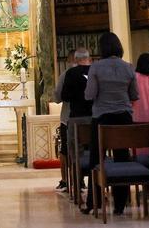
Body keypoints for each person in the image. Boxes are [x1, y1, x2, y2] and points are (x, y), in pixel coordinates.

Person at [83, 31, 138, 215]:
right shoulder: (128, 67)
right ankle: (120, 204)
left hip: (102, 117)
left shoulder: (96, 67)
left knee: (96, 158)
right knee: (122, 157)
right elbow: (134, 95)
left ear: (102, 48)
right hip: (124, 118)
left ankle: (94, 202)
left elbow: (89, 94)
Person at [53, 47, 93, 192]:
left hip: (70, 118)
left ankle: (66, 180)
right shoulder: (94, 72)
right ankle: (84, 181)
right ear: (89, 59)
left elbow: (58, 97)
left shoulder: (66, 74)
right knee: (89, 149)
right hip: (92, 117)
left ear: (72, 59)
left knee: (67, 150)